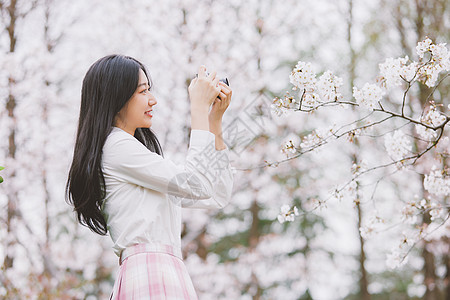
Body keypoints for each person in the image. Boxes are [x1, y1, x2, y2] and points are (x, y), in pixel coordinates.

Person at [65, 54, 234, 299]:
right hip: (151, 272)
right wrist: (197, 108)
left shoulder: (135, 156)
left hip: (163, 271)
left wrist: (214, 121)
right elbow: (198, 184)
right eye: (143, 91)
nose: (153, 100)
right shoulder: (115, 147)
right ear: (116, 96)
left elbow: (217, 194)